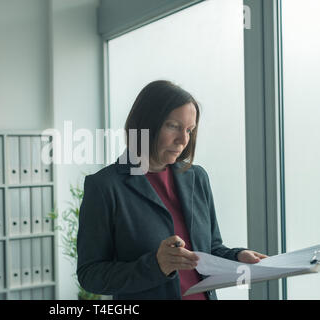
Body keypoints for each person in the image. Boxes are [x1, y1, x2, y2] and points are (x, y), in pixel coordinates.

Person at [76, 80, 268, 300]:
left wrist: (237, 256)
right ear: (145, 125)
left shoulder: (197, 178)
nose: (183, 140)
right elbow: (90, 275)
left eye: (189, 130)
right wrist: (156, 265)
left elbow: (210, 249)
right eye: (173, 126)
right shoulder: (105, 187)